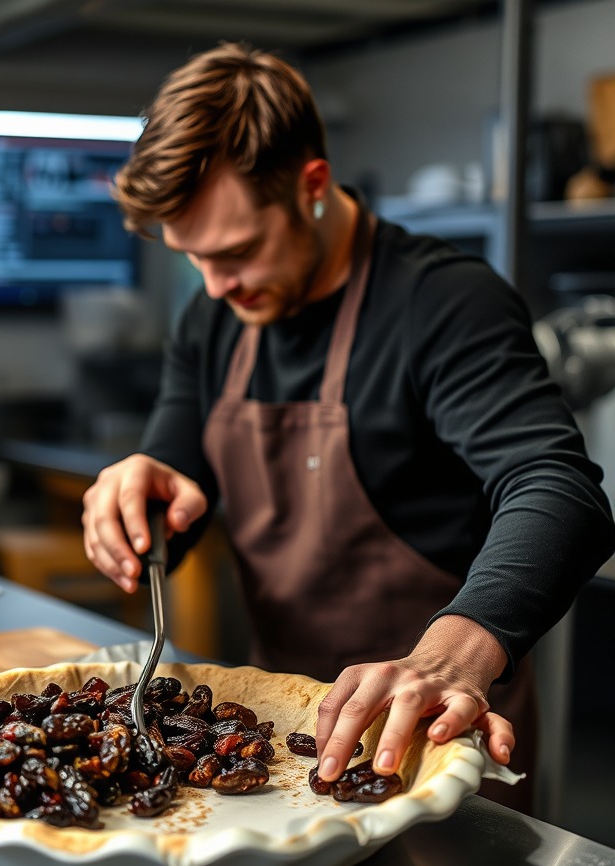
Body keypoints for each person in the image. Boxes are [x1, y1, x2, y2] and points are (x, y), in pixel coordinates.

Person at [81, 41, 615, 811]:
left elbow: (558, 487)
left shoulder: (441, 302)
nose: (218, 287)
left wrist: (451, 655)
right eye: (194, 258)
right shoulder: (213, 317)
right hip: (280, 747)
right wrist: (140, 499)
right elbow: (177, 478)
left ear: (312, 186)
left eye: (238, 252)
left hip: (430, 739)